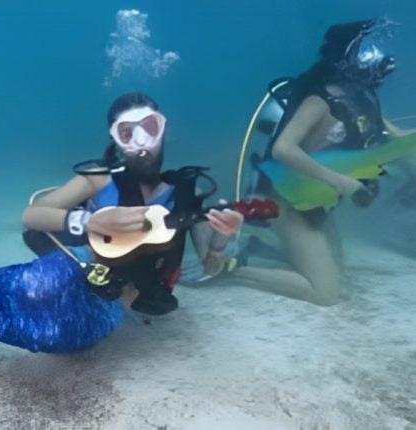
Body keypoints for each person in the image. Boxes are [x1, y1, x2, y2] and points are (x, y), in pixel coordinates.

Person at [226, 19, 410, 305]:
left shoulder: (363, 99)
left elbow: (398, 139)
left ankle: (263, 248)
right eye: (367, 51)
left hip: (320, 203)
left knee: (341, 279)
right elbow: (283, 149)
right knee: (325, 293)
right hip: (289, 203)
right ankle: (231, 268)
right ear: (348, 56)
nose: (375, 57)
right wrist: (340, 181)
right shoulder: (320, 99)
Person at [22, 92, 244, 315]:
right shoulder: (98, 179)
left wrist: (221, 240)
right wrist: (89, 221)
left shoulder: (186, 193)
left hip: (143, 289)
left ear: (163, 129)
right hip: (93, 275)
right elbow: (31, 216)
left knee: (156, 304)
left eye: (150, 127)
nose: (141, 141)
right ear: (115, 139)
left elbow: (210, 268)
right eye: (127, 132)